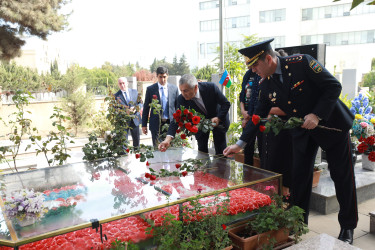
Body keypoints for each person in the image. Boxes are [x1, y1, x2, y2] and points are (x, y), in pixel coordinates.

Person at [223, 38, 358, 244]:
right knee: (299, 178)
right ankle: (298, 223)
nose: (253, 71)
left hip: (331, 125)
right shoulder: (265, 84)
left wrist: (316, 114)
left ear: (268, 59)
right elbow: (257, 116)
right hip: (303, 131)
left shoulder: (302, 63)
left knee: (342, 176)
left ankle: (347, 226)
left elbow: (333, 86)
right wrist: (240, 144)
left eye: (255, 65)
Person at [158, 74, 230, 155]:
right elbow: (176, 120)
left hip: (218, 120)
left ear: (195, 87)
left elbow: (226, 104)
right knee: (202, 152)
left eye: (185, 90)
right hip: (200, 125)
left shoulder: (211, 88)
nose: (183, 93)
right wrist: (168, 139)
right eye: (181, 90)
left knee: (220, 151)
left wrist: (218, 118)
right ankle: (204, 167)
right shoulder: (181, 99)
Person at [142, 66, 179, 147]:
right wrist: (144, 124)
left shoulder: (174, 89)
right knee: (157, 148)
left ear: (167, 76)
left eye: (164, 77)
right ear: (157, 76)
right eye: (160, 77)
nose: (162, 79)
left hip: (170, 124)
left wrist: (179, 123)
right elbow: (146, 107)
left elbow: (177, 107)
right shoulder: (150, 89)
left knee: (171, 148)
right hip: (156, 124)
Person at [114, 77, 143, 148]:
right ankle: (124, 156)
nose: (122, 85)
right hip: (123, 121)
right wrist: (124, 111)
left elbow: (141, 103)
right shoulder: (116, 96)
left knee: (136, 141)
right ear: (118, 85)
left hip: (135, 119)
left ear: (127, 83)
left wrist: (136, 108)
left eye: (123, 83)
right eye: (120, 83)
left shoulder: (135, 92)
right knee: (123, 141)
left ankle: (137, 154)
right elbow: (115, 109)